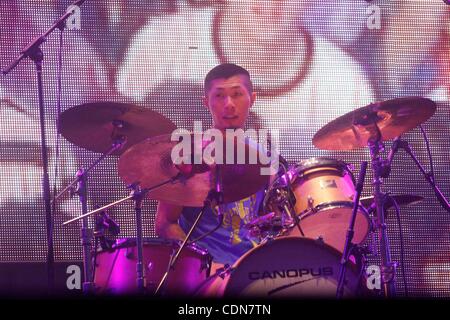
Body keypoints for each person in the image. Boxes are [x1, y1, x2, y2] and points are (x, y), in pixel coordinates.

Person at [155, 63, 267, 272]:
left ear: (253, 99)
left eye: (237, 94)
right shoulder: (188, 156)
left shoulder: (266, 159)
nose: (229, 104)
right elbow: (164, 224)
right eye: (219, 96)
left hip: (253, 271)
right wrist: (200, 263)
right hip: (206, 275)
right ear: (206, 102)